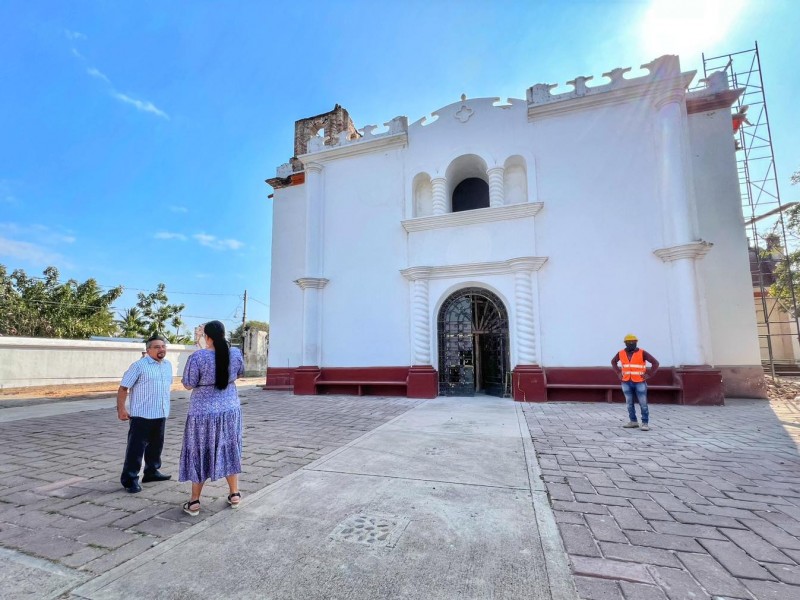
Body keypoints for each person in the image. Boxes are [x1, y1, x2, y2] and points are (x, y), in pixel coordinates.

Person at [178, 320, 245, 516]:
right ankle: (234, 494)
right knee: (230, 448)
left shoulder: (197, 357)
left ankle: (194, 502)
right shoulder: (235, 353)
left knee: (199, 451)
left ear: (207, 336)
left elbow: (188, 384)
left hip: (202, 413)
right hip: (229, 410)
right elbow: (240, 373)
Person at [117, 335, 173, 493]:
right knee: (135, 449)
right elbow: (123, 388)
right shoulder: (139, 366)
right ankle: (129, 479)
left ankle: (151, 472)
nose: (161, 349)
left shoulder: (167, 365)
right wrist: (121, 409)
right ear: (148, 350)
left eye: (163, 346)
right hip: (141, 415)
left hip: (160, 413)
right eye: (156, 347)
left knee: (156, 446)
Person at [611, 334, 660, 431]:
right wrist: (618, 372)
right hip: (626, 381)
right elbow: (613, 362)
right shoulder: (620, 353)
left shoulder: (642, 353)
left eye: (633, 342)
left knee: (643, 403)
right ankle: (633, 421)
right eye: (629, 342)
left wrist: (649, 374)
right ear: (625, 343)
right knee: (629, 403)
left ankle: (645, 423)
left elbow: (655, 363)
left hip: (639, 381)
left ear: (636, 342)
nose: (631, 343)